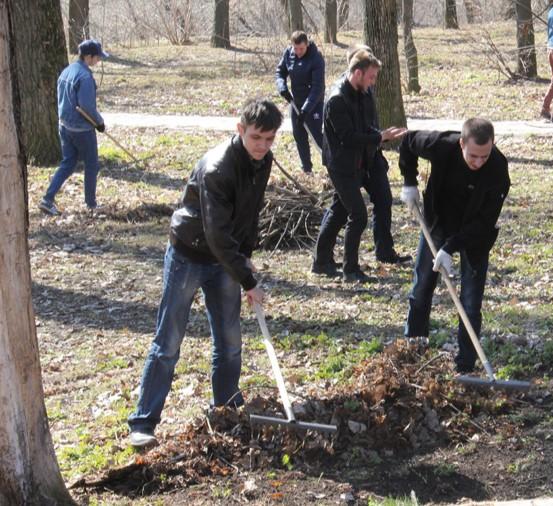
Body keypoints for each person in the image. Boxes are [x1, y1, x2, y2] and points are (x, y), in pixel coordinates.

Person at [127, 99, 282, 448]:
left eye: (270, 139)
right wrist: (248, 279)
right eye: (257, 137)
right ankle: (143, 423)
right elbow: (215, 233)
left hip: (224, 259)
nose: (263, 146)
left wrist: (246, 259)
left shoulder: (263, 161)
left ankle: (226, 409)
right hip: (189, 254)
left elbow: (249, 216)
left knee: (229, 342)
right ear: (239, 129)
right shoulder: (216, 169)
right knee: (168, 341)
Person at [398, 118, 510, 374]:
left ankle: (466, 365)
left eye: (485, 155)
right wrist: (409, 181)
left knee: (470, 303)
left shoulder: (498, 170)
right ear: (462, 143)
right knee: (421, 287)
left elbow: (484, 222)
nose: (479, 162)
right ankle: (413, 350)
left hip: (474, 238)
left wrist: (451, 248)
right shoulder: (442, 145)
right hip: (438, 224)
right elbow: (407, 141)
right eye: (473, 156)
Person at [311, 49, 407, 283]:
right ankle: (347, 268)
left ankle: (381, 252)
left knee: (378, 200)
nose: (374, 82)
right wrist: (379, 137)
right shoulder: (336, 100)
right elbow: (348, 137)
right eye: (371, 77)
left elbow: (368, 125)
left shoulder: (364, 91)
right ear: (357, 73)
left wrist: (378, 136)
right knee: (355, 213)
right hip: (343, 165)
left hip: (367, 159)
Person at [39, 39, 109, 217]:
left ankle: (47, 199)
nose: (98, 60)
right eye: (97, 57)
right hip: (82, 130)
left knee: (68, 163)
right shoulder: (84, 77)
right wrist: (99, 123)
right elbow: (86, 106)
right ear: (88, 57)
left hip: (64, 126)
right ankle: (91, 204)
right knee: (91, 164)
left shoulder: (67, 71)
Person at [275, 31, 325, 173]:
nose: (298, 52)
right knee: (299, 135)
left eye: (301, 49)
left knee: (316, 135)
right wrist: (282, 87)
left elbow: (317, 88)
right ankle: (306, 169)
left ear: (307, 45)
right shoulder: (288, 54)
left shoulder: (316, 58)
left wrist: (306, 109)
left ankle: (332, 164)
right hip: (295, 102)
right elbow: (280, 72)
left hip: (313, 103)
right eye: (295, 48)